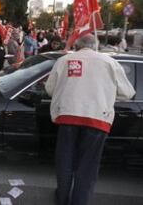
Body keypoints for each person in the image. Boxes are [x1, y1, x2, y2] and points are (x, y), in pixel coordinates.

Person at [45, 34, 135, 205]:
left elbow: (50, 89)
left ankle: (61, 199)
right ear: (96, 45)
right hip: (97, 120)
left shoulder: (64, 60)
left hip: (67, 116)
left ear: (77, 46)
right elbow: (128, 93)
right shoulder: (109, 63)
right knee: (87, 167)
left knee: (65, 161)